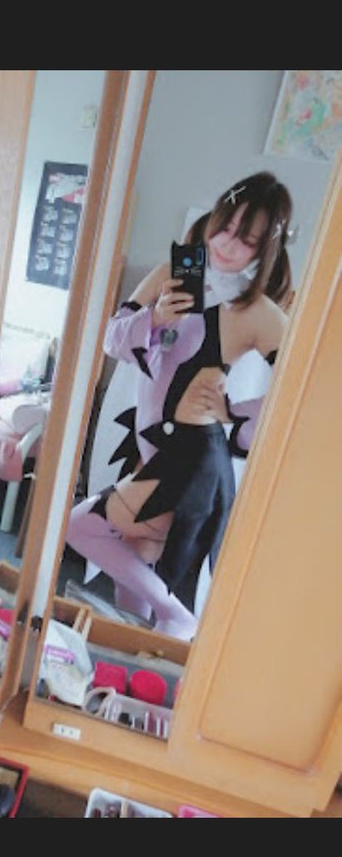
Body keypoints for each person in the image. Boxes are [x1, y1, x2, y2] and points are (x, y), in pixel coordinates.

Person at [66, 171, 294, 640]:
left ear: (265, 250)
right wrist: (153, 318)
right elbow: (112, 338)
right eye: (225, 226)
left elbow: (300, 391)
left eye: (246, 240)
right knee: (135, 560)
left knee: (80, 526)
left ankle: (177, 617)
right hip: (153, 448)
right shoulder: (178, 270)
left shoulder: (257, 313)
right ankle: (136, 646)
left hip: (191, 461)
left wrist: (234, 413)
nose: (226, 244)